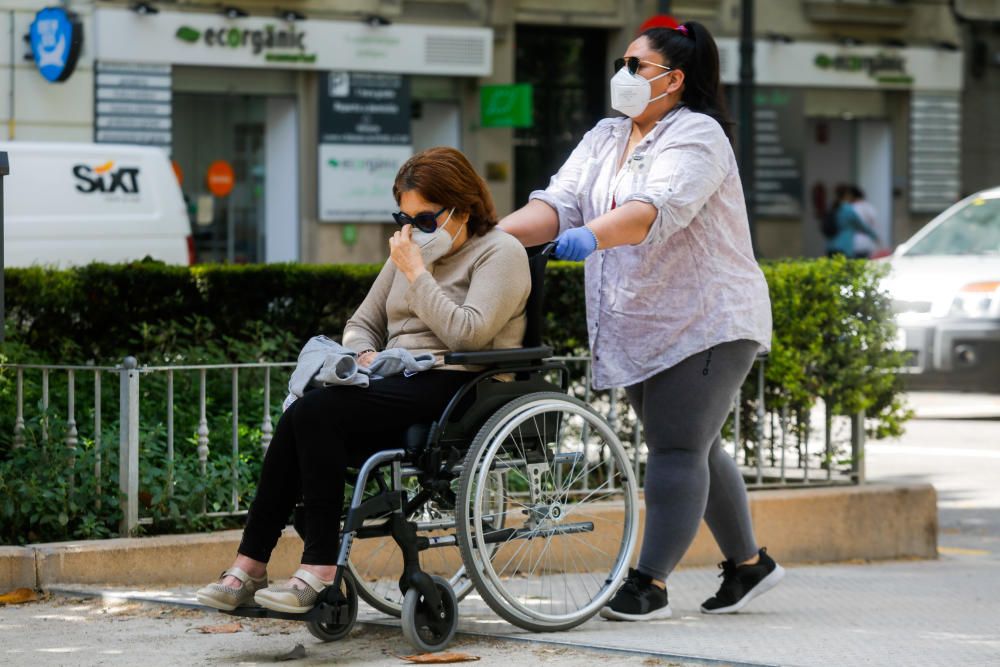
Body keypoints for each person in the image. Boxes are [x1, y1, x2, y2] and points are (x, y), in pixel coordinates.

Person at [499, 21, 783, 621]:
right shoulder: (607, 135)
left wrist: (589, 236)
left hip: (706, 317)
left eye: (636, 65)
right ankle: (751, 565)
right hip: (636, 318)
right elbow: (556, 203)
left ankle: (648, 584)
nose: (621, 75)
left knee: (677, 447)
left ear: (673, 80)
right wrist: (487, 238)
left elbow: (653, 210)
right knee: (697, 447)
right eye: (622, 63)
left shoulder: (698, 136)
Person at [196, 147, 530, 613]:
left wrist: (417, 273)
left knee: (314, 412)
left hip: (456, 383)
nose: (413, 231)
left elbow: (467, 332)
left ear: (463, 208)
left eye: (427, 219)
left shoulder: (501, 252)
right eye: (405, 218)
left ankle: (317, 568)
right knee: (302, 412)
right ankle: (251, 565)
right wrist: (361, 354)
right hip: (394, 377)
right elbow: (362, 321)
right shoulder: (409, 251)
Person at [825, 184, 879, 258]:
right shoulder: (847, 209)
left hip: (831, 245)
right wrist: (874, 236)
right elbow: (860, 225)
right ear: (847, 195)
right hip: (844, 246)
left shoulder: (834, 207)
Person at [849, 185, 880, 259]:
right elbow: (874, 223)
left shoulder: (851, 207)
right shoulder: (869, 206)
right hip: (868, 242)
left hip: (854, 242)